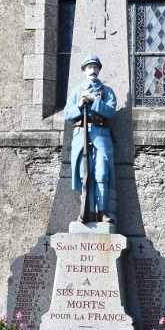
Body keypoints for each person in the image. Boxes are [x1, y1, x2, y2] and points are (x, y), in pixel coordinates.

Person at [64, 54, 117, 224]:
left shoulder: (106, 91)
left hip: (101, 137)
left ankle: (102, 212)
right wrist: (80, 104)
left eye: (95, 67)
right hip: (82, 137)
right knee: (85, 174)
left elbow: (109, 111)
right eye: (89, 67)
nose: (92, 70)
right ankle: (89, 212)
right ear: (84, 71)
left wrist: (94, 100)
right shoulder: (77, 90)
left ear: (99, 70)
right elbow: (67, 114)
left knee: (102, 173)